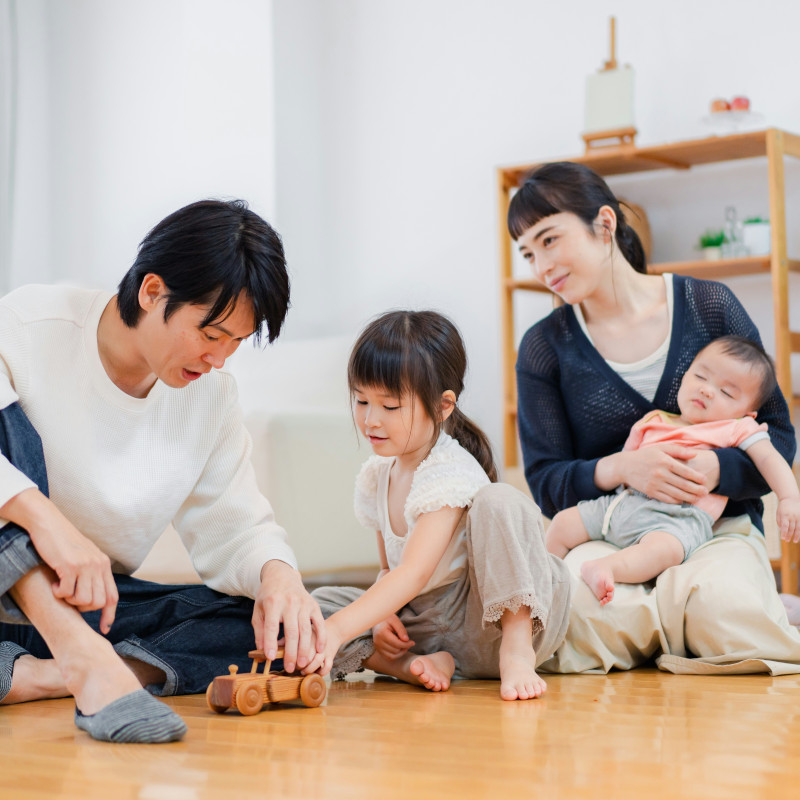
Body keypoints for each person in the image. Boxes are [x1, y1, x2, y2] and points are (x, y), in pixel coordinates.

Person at [0, 199, 325, 742]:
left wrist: (279, 577)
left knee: (255, 624)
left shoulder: (210, 396)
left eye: (236, 343)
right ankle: (85, 662)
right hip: (38, 597)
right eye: (211, 334)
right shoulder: (31, 325)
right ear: (152, 292)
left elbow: (236, 524)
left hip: (91, 610)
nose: (219, 359)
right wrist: (43, 520)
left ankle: (49, 674)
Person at [508, 161, 800, 676]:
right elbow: (545, 480)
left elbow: (777, 433)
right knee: (569, 625)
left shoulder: (709, 305)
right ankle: (679, 620)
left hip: (713, 527)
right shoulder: (543, 346)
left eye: (550, 241)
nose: (540, 266)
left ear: (604, 225)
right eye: (528, 253)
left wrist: (716, 470)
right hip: (611, 528)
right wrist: (623, 468)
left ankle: (717, 607)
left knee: (724, 615)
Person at [307, 311, 572, 701]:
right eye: (362, 401)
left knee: (498, 499)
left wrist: (340, 630)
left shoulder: (448, 469)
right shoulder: (376, 476)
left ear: (443, 405)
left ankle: (517, 653)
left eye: (390, 406)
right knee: (315, 607)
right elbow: (389, 571)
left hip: (486, 624)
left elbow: (413, 573)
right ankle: (410, 666)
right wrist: (381, 619)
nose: (370, 419)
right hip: (427, 631)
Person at [546, 335, 800, 605]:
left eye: (726, 392)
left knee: (663, 551)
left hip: (676, 520)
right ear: (685, 375)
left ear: (747, 414)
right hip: (621, 505)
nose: (707, 390)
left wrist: (789, 498)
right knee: (562, 523)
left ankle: (607, 567)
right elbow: (626, 465)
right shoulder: (654, 420)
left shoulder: (735, 429)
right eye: (701, 377)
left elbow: (770, 459)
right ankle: (540, 583)